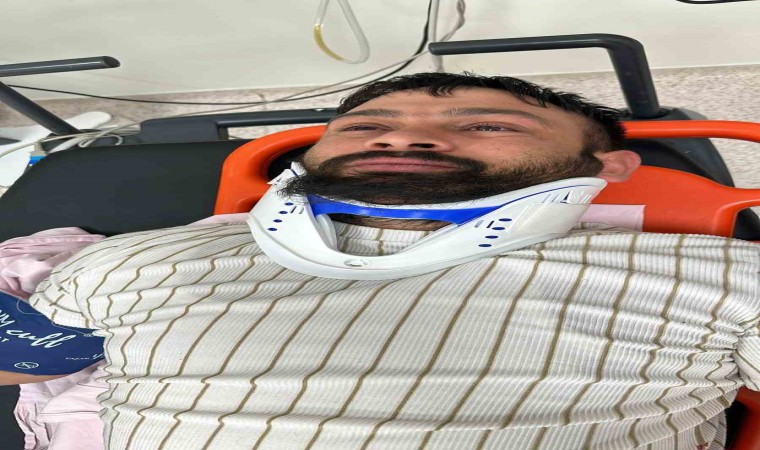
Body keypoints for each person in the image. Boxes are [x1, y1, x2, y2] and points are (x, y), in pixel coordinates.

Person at [3, 72, 759, 450]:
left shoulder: (721, 278)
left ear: (610, 167)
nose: (402, 137)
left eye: (488, 125)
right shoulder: (137, 262)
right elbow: (36, 361)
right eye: (366, 126)